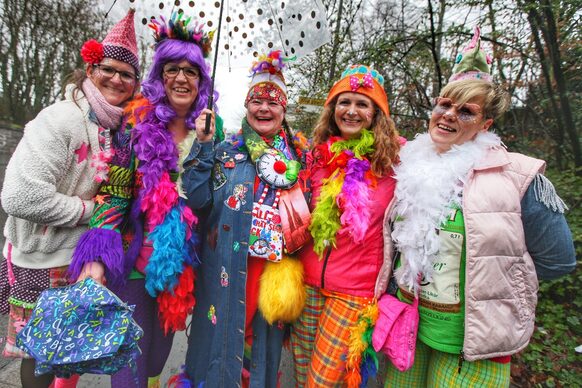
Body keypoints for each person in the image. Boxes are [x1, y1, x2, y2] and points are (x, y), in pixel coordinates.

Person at [379, 27, 576, 387]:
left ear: (485, 125)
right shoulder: (405, 167)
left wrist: (498, 290)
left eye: (466, 111)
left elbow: (558, 260)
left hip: (473, 343)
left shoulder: (518, 176)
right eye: (445, 105)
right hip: (408, 326)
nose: (449, 115)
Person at [68, 12, 220, 388]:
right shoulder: (137, 124)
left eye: (191, 71)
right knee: (129, 369)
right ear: (160, 75)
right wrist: (99, 255)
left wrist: (204, 146)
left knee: (155, 362)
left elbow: (208, 204)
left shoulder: (215, 132)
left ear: (202, 80)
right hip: (135, 261)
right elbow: (115, 189)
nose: (181, 78)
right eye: (172, 69)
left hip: (179, 269)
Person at [0, 9, 139, 388]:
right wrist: (90, 211)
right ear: (90, 69)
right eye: (108, 69)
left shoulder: (114, 127)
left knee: (62, 353)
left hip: (74, 259)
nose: (116, 79)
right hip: (40, 259)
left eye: (127, 74)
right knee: (38, 356)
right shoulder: (60, 119)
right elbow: (18, 196)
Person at [180, 50, 309, 387]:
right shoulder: (226, 152)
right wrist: (204, 145)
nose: (264, 108)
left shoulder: (301, 158)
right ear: (247, 105)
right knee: (220, 345)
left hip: (271, 275)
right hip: (225, 267)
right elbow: (198, 201)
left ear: (284, 109)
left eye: (273, 102)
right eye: (257, 101)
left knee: (258, 348)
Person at [290, 64, 403, 387]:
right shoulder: (315, 158)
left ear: (377, 114)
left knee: (321, 382)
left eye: (362, 104)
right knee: (302, 376)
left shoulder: (396, 162)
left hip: (354, 292)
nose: (351, 111)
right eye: (344, 102)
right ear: (332, 109)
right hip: (307, 285)